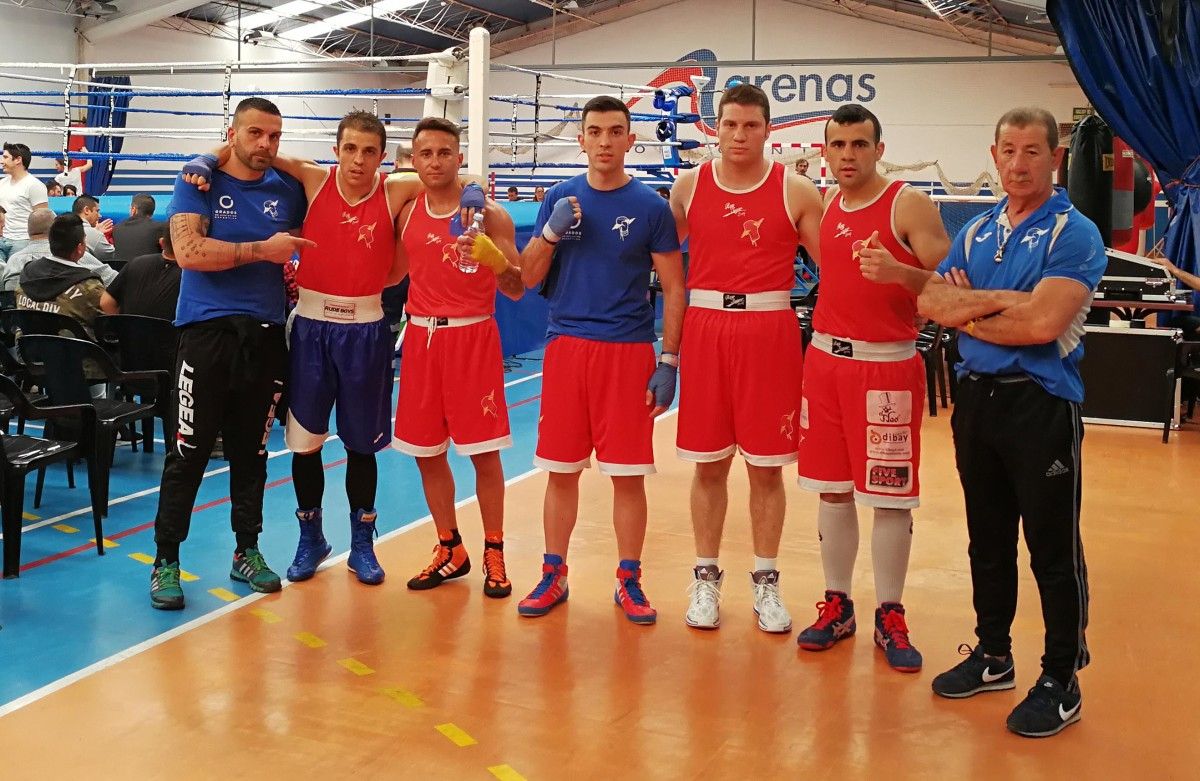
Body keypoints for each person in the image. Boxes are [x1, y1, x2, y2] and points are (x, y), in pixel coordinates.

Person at [916, 107, 1103, 738]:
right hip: (978, 402)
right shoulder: (976, 230)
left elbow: (1044, 325)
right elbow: (930, 301)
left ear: (1055, 157)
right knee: (986, 537)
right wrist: (1000, 303)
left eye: (1032, 151)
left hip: (1040, 403)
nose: (1018, 163)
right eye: (1008, 151)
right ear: (993, 156)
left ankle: (1061, 678)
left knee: (1051, 547)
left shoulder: (1072, 234)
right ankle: (994, 655)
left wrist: (971, 306)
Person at [180, 110, 423, 587]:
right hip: (311, 325)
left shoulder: (395, 189)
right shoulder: (315, 178)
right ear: (336, 150)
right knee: (304, 442)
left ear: (382, 158)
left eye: (369, 151)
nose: (358, 159)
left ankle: (362, 545)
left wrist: (474, 189)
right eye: (350, 148)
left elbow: (450, 174)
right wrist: (205, 159)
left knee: (362, 445)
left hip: (367, 326)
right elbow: (254, 148)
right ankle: (310, 538)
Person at [792, 104, 950, 672]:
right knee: (832, 490)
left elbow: (955, 289)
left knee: (887, 495)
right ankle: (838, 603)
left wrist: (901, 273)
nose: (848, 155)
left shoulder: (907, 203)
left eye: (860, 145)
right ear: (826, 150)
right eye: (838, 145)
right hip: (825, 364)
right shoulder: (827, 202)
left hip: (886, 368)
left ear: (879, 149)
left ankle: (890, 611)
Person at [517, 95, 685, 624]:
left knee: (627, 475)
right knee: (560, 472)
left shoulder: (652, 207)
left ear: (631, 140)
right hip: (567, 348)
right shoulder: (561, 198)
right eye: (596, 131)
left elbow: (675, 289)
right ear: (582, 138)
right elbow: (525, 276)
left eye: (616, 132)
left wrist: (670, 360)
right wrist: (549, 233)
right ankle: (553, 574)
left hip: (629, 351)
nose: (606, 141)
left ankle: (629, 580)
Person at [668, 83, 822, 633]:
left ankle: (766, 582)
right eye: (730, 125)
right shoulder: (688, 186)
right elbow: (662, 266)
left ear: (767, 129)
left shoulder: (797, 190)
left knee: (765, 467)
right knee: (709, 464)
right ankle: (706, 579)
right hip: (706, 327)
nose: (739, 135)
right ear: (716, 127)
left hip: (769, 328)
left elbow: (840, 270)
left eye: (750, 125)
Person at [148, 97, 311, 611]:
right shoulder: (197, 183)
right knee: (187, 453)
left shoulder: (286, 190)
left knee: (253, 454)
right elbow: (189, 253)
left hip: (263, 339)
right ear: (233, 133)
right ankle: (166, 560)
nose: (265, 144)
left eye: (275, 136)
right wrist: (261, 250)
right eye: (256, 133)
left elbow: (333, 178)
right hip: (205, 336)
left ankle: (247, 550)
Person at [393, 117, 525, 599]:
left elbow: (516, 288)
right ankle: (450, 547)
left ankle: (494, 550)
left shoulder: (490, 216)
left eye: (444, 153)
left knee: (483, 455)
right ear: (414, 158)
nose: (434, 162)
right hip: (422, 342)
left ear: (458, 156)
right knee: (427, 454)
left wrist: (492, 256)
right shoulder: (406, 210)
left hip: (472, 339)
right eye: (424, 153)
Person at [15, 213, 105, 338]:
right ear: (80, 248)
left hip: (27, 353)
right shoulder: (89, 287)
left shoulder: (26, 275)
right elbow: (106, 325)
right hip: (75, 355)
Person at [3, 207, 117, 291]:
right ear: (55, 229)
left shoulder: (13, 261)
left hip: (19, 323)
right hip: (69, 321)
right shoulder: (72, 255)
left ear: (28, 231)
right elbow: (114, 280)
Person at [100, 223, 181, 321]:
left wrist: (122, 325)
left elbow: (106, 302)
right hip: (169, 335)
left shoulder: (136, 262)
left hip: (128, 333)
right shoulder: (193, 276)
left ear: (162, 243)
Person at [0, 142, 49, 263]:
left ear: (18, 160)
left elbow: (42, 219)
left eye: (5, 157)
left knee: (16, 279)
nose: (1, 161)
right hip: (2, 239)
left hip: (23, 241)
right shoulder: (2, 183)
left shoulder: (35, 185)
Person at [112, 193, 162, 261]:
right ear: (152, 212)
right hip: (150, 270)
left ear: (133, 210)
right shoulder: (160, 228)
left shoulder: (117, 228)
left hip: (122, 271)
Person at [71, 195, 116, 261]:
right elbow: (115, 256)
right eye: (97, 211)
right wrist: (97, 234)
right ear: (86, 210)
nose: (100, 216)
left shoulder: (63, 229)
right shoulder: (94, 234)